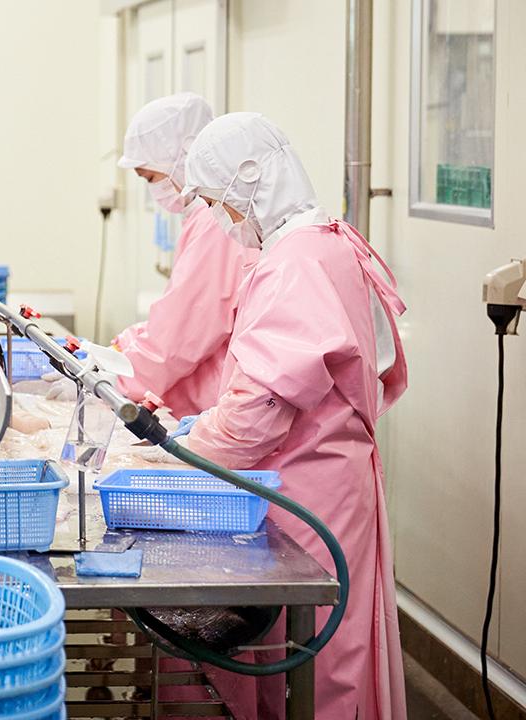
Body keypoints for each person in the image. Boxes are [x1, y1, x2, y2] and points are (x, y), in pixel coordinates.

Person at [176, 112, 409, 720]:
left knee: (316, 662)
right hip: (328, 478)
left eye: (219, 203)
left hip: (310, 493)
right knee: (323, 647)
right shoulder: (323, 240)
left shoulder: (296, 263)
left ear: (251, 180)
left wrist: (181, 450)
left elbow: (254, 417)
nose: (222, 220)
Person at [110, 93, 257, 416]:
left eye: (151, 178)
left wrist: (113, 380)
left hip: (215, 404)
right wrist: (123, 349)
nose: (154, 190)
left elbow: (182, 333)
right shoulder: (206, 216)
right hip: (208, 400)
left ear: (182, 158)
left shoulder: (216, 222)